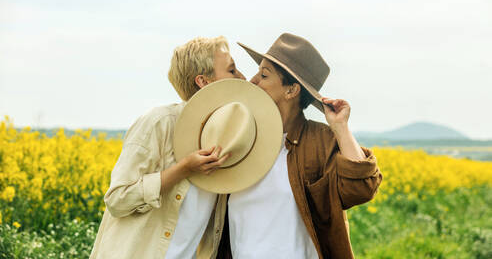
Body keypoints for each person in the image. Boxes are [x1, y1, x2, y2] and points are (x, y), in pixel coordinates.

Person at [223, 33, 383, 259]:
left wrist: (340, 127)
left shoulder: (320, 141)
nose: (253, 81)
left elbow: (362, 188)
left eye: (264, 75)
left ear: (291, 90)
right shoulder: (239, 135)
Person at [90, 36, 245, 259]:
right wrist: (183, 169)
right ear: (204, 81)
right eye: (232, 71)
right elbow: (117, 199)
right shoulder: (158, 123)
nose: (241, 77)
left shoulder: (228, 139)